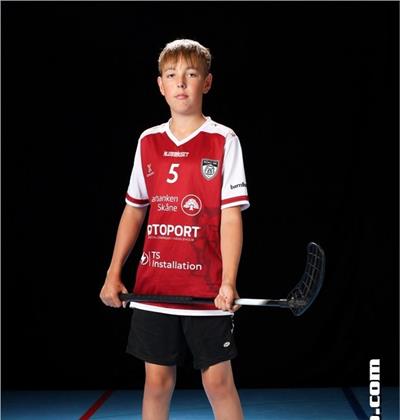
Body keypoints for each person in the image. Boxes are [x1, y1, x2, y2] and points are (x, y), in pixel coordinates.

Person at [100, 38, 250, 420]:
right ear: (160, 85)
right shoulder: (148, 140)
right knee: (156, 383)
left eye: (191, 74)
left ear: (207, 82)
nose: (181, 82)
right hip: (154, 286)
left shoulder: (224, 139)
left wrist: (228, 282)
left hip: (206, 288)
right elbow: (134, 210)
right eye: (171, 75)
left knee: (218, 382)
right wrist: (113, 272)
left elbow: (231, 216)